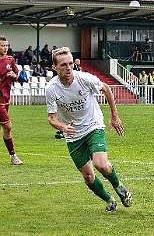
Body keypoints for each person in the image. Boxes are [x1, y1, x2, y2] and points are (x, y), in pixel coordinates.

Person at [46, 47, 132, 212]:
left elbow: (106, 88)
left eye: (70, 63)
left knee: (101, 165)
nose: (68, 67)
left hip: (93, 125)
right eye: (63, 65)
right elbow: (51, 118)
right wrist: (63, 127)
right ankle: (109, 200)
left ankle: (119, 187)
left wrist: (114, 116)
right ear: (54, 67)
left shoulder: (84, 79)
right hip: (73, 135)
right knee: (88, 176)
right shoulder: (51, 89)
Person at [0, 35, 23, 165]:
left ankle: (12, 155)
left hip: (6, 98)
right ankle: (13, 156)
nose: (5, 48)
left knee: (4, 128)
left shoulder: (10, 59)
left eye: (7, 45)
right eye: (3, 46)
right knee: (8, 126)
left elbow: (16, 74)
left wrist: (14, 76)